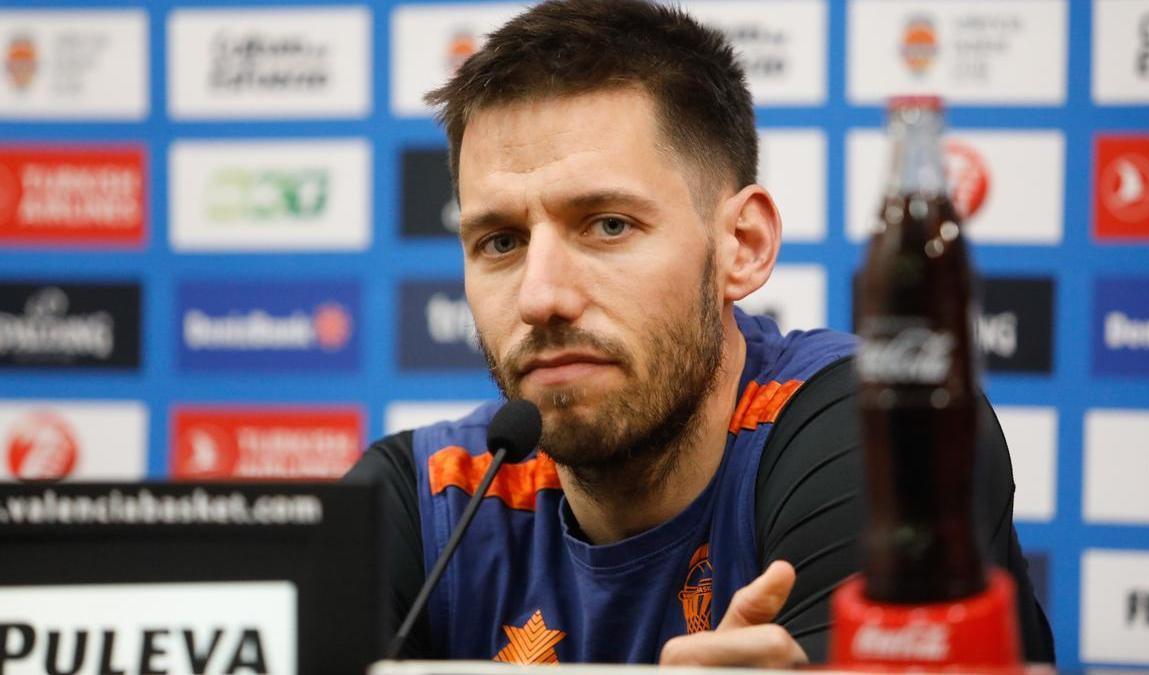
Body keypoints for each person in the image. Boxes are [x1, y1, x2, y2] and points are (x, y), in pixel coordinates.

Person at [345, 0, 1055, 666]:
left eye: (608, 225)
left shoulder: (870, 434)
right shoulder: (423, 500)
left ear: (742, 245)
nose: (540, 296)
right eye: (500, 241)